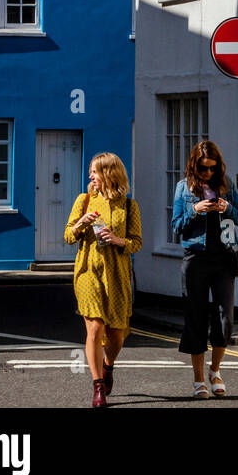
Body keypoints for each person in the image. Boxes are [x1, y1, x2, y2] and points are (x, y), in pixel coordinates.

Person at [65, 152, 142, 408]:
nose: (90, 176)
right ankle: (98, 386)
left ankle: (108, 367)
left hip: (118, 275)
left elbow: (137, 243)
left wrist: (119, 240)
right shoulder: (84, 200)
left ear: (109, 174)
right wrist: (81, 224)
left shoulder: (129, 206)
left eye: (95, 172)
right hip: (88, 272)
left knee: (116, 335)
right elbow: (68, 235)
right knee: (95, 328)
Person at [171, 139, 238, 399]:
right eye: (204, 168)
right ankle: (198, 380)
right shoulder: (183, 188)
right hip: (196, 259)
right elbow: (176, 225)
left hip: (224, 258)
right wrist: (194, 209)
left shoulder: (227, 185)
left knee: (226, 318)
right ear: (195, 166)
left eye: (213, 168)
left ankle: (215, 370)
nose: (209, 173)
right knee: (196, 318)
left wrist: (228, 208)